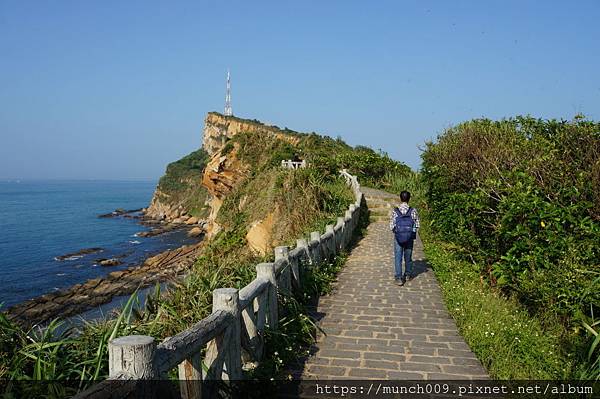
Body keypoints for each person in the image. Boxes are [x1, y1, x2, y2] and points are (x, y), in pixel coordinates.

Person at [389, 191, 420, 286]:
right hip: (409, 237)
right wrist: (411, 232)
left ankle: (398, 278)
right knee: (408, 257)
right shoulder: (413, 210)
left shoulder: (395, 210)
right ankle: (407, 274)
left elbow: (391, 225)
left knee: (398, 257)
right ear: (409, 198)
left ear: (400, 198)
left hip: (398, 237)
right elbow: (417, 224)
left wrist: (398, 232)